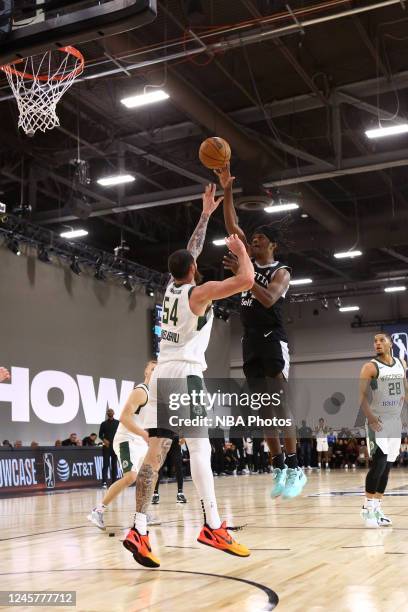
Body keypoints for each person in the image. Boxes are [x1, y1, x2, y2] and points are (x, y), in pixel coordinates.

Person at [123, 183, 253, 568]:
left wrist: (206, 214)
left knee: (157, 451)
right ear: (194, 271)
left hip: (162, 372)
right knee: (200, 448)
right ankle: (212, 524)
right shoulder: (200, 293)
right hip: (186, 374)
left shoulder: (169, 290)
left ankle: (139, 527)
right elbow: (245, 281)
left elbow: (189, 252)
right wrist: (241, 250)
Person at [219, 164, 307, 499]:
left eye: (257, 241)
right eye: (250, 240)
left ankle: (297, 466)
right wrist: (228, 189)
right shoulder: (249, 264)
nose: (251, 243)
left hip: (273, 339)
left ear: (270, 245)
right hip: (250, 341)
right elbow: (231, 226)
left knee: (279, 404)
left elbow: (269, 300)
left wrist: (247, 278)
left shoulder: (280, 271)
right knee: (262, 410)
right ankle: (279, 466)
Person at [88, 361, 155, 530]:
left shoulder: (156, 396)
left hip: (140, 440)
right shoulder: (141, 391)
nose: (156, 372)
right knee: (131, 478)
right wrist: (144, 434)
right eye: (152, 369)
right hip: (127, 439)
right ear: (146, 372)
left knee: (149, 474)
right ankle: (98, 510)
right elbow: (124, 417)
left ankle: (143, 513)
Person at [359, 332, 407, 528]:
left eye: (381, 340)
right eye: (375, 341)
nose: (377, 343)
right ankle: (367, 509)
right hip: (377, 421)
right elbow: (361, 395)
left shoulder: (401, 363)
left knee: (387, 468)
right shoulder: (370, 366)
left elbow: (404, 388)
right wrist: (370, 418)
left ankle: (377, 507)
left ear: (390, 344)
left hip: (395, 422)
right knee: (378, 464)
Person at [152, 435, 187, 504]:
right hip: (162, 439)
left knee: (178, 465)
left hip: (175, 440)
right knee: (159, 467)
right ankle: (155, 494)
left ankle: (180, 493)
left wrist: (184, 436)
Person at [99, 409, 119, 488]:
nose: (110, 412)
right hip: (106, 447)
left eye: (111, 411)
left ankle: (114, 482)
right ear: (107, 414)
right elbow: (100, 434)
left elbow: (120, 433)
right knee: (105, 464)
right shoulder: (103, 424)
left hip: (115, 447)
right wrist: (104, 440)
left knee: (114, 465)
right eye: (108, 411)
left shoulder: (118, 423)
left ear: (114, 413)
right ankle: (104, 482)